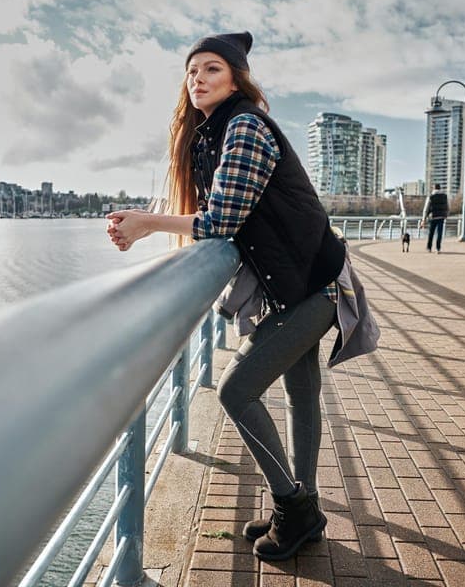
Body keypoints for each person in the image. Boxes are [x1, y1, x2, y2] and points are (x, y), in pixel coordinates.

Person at [105, 31, 378, 561]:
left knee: (235, 392)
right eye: (191, 72)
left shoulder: (246, 125)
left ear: (235, 78)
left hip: (317, 287)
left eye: (211, 69)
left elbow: (223, 219)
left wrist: (144, 224)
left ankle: (293, 509)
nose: (197, 79)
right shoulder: (212, 135)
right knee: (301, 395)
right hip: (295, 286)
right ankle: (307, 511)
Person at [421, 183, 449, 253]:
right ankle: (438, 248)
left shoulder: (431, 196)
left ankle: (429, 247)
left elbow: (426, 208)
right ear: (440, 188)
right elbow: (447, 207)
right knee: (439, 233)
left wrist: (423, 219)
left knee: (431, 233)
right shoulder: (444, 196)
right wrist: (446, 215)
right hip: (441, 217)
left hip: (432, 217)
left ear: (433, 188)